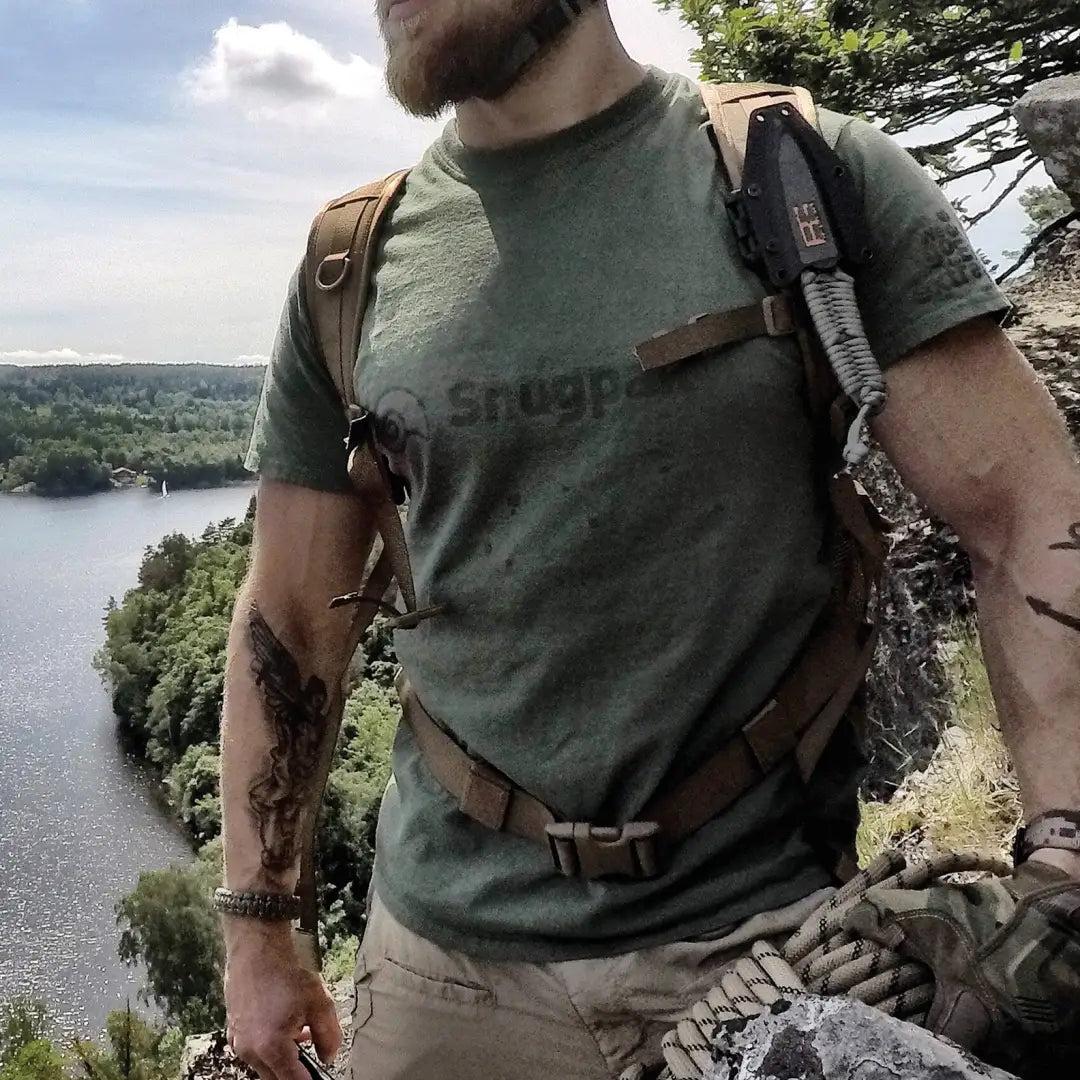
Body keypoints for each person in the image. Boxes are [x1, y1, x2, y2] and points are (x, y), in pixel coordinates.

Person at [217, 2, 1080, 1079]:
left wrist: (1062, 852)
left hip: (766, 953)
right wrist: (258, 926)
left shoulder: (800, 174)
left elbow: (1027, 507)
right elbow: (290, 620)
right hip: (439, 972)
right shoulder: (354, 262)